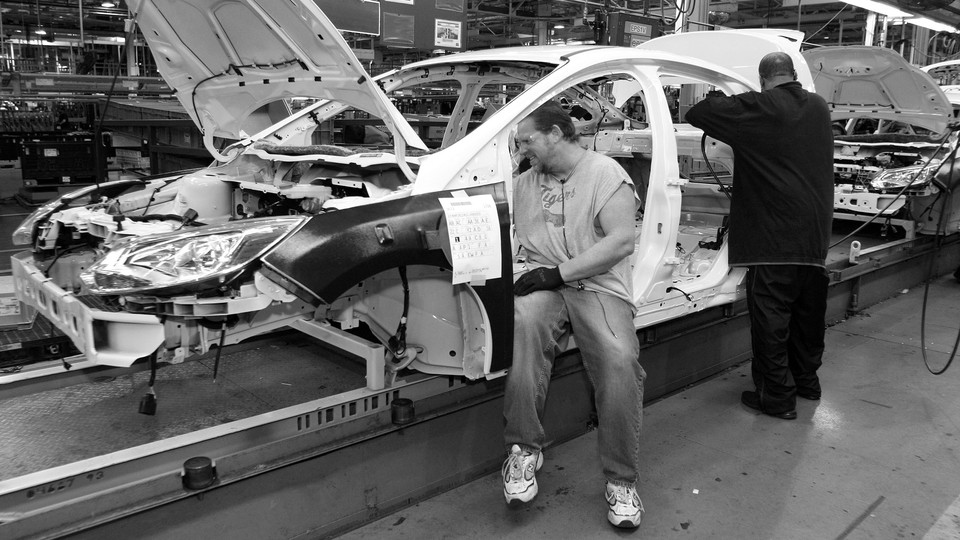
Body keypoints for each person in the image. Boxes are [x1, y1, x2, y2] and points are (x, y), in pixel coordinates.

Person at [503, 100, 646, 529]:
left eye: (526, 140)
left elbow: (621, 242)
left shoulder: (605, 174)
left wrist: (558, 273)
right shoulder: (523, 182)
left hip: (595, 284)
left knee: (620, 361)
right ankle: (523, 449)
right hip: (539, 280)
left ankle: (621, 481)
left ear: (554, 133)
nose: (521, 149)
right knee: (522, 328)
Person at [685, 52, 834, 420]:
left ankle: (777, 398)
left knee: (772, 321)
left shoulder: (762, 107)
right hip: (813, 238)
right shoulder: (817, 107)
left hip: (773, 240)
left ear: (763, 79)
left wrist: (734, 95)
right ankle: (806, 384)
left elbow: (699, 114)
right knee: (806, 317)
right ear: (793, 73)